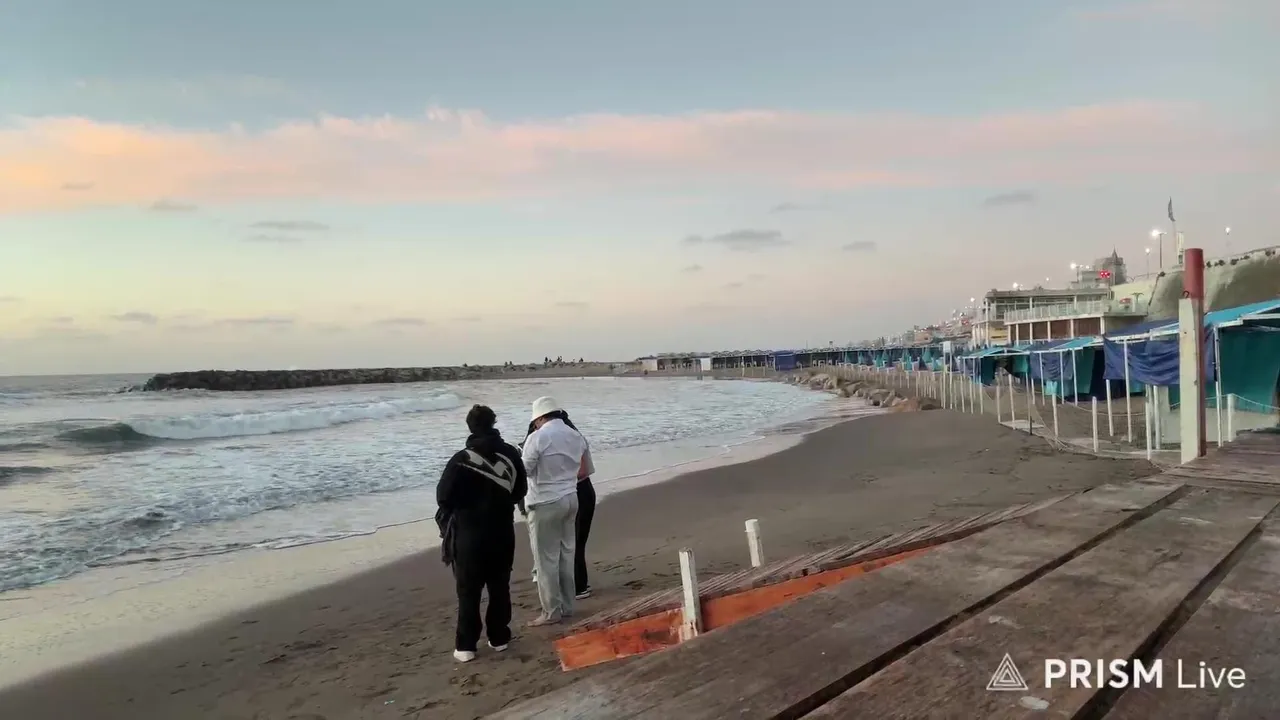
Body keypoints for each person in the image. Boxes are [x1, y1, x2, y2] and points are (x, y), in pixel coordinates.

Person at [435, 404, 527, 663]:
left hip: (468, 535)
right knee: (499, 586)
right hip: (502, 531)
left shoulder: (461, 459)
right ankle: (499, 637)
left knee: (468, 590)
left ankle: (466, 646)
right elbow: (520, 490)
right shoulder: (511, 454)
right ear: (493, 423)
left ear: (470, 427)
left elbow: (443, 497)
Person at [521, 396, 587, 626]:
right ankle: (567, 606)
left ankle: (551, 611)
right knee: (566, 555)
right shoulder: (575, 435)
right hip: (571, 497)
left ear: (539, 418)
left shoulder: (538, 437)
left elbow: (525, 470)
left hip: (545, 501)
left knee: (546, 560)